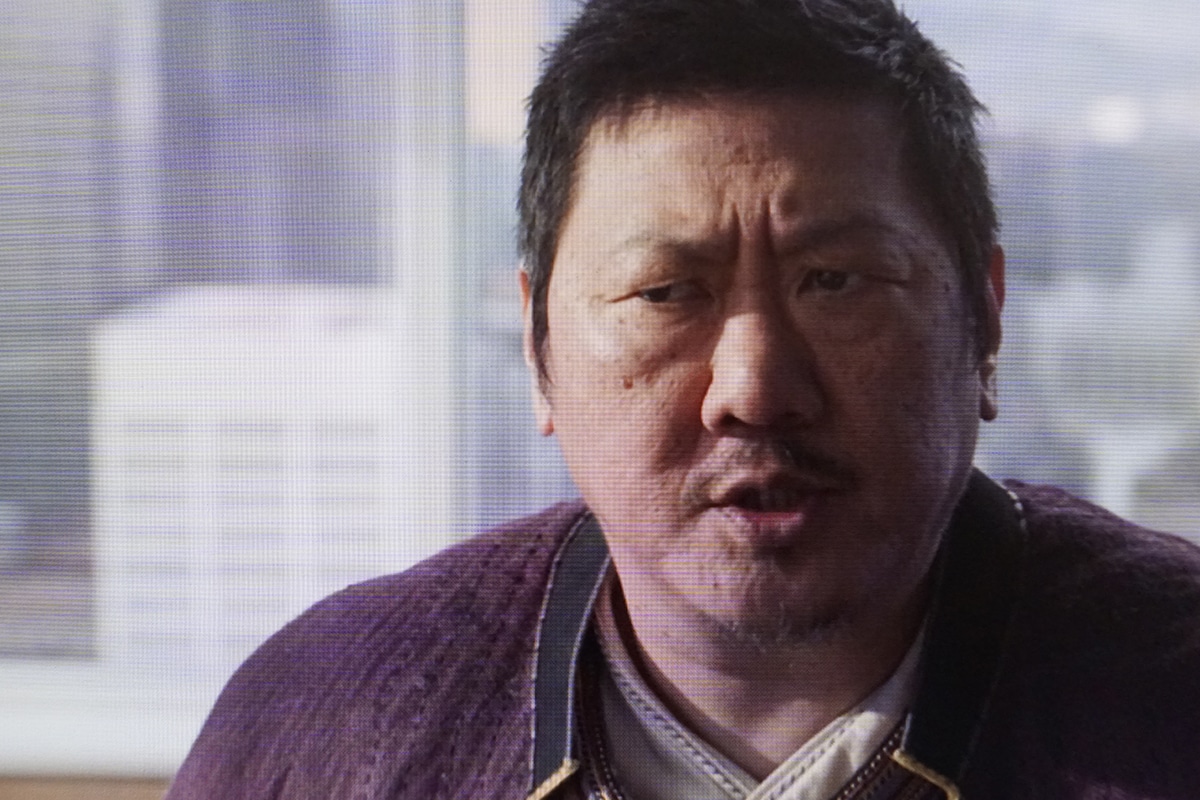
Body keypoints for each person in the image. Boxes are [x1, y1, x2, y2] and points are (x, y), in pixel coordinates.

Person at [165, 1, 1200, 798]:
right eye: (665, 293)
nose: (754, 389)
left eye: (835, 281)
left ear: (986, 319)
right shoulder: (325, 728)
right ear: (539, 349)